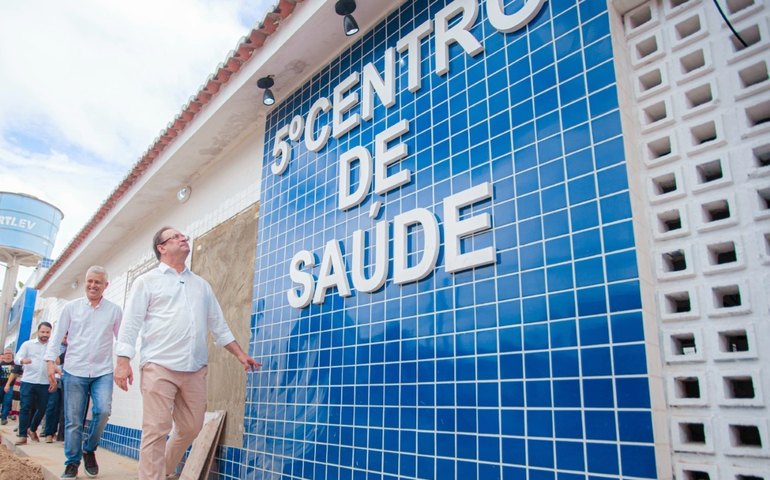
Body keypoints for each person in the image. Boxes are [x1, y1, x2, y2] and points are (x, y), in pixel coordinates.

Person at [114, 226, 261, 480]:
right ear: (162, 248)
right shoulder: (147, 281)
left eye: (185, 236)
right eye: (177, 237)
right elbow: (131, 322)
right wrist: (123, 361)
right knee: (156, 429)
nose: (184, 238)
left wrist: (239, 354)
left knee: (192, 427)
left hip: (194, 369)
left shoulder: (201, 285)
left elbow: (219, 324)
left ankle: (165, 470)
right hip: (158, 365)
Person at [46, 266, 122, 479]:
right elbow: (57, 335)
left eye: (98, 282)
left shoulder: (114, 310)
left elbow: (122, 339)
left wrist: (124, 365)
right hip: (74, 370)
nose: (93, 285)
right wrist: (50, 362)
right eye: (90, 281)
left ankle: (89, 449)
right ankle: (72, 463)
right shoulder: (71, 308)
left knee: (104, 410)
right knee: (73, 420)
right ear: (85, 282)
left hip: (103, 371)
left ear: (105, 285)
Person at [14, 322, 55, 445]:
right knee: (25, 407)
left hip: (44, 382)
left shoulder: (52, 346)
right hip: (28, 381)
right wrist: (22, 360)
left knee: (42, 408)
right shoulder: (28, 344)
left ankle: (32, 429)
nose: (45, 335)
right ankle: (22, 436)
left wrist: (54, 379)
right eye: (43, 332)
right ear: (38, 332)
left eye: (47, 332)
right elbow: (17, 357)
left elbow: (55, 363)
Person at [1, 348, 20, 425]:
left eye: (10, 354)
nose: (8, 356)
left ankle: (4, 417)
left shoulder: (15, 365)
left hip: (11, 386)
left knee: (7, 401)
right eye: (6, 354)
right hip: (1, 386)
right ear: (3, 355)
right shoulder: (1, 364)